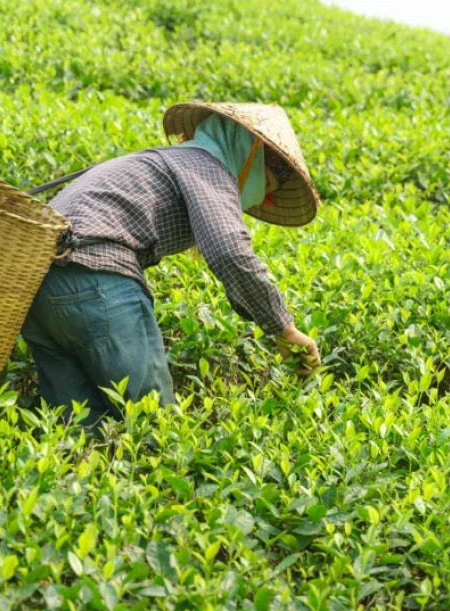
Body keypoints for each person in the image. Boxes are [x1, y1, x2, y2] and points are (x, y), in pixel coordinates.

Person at [20, 101, 322, 428]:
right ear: (250, 156)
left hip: (37, 286)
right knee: (153, 423)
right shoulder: (207, 168)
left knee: (75, 431)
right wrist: (283, 328)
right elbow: (229, 250)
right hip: (97, 276)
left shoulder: (164, 160)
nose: (263, 199)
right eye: (268, 187)